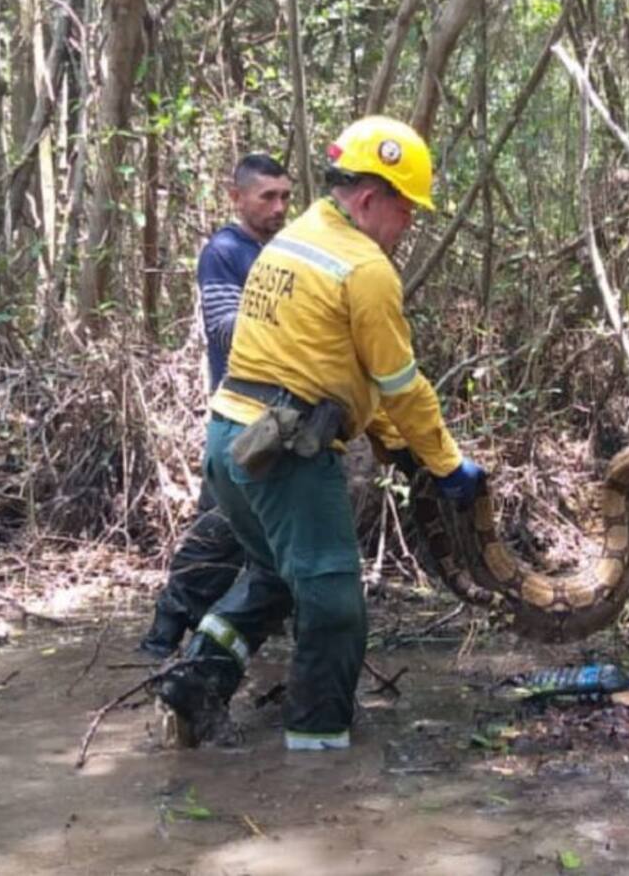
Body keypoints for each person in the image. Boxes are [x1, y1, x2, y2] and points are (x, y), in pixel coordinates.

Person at [157, 115, 485, 751]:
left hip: (229, 443)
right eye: (407, 209)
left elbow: (334, 368)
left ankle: (196, 683)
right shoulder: (365, 268)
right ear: (369, 199)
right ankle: (318, 755)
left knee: (274, 577)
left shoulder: (292, 240)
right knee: (334, 600)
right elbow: (401, 386)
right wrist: (446, 464)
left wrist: (399, 444)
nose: (410, 225)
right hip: (287, 454)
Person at [138, 154, 293, 659]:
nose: (278, 206)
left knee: (254, 537)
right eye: (267, 196)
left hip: (279, 421)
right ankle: (164, 637)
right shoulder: (224, 252)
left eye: (285, 196)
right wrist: (298, 319)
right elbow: (225, 326)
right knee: (218, 531)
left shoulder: (283, 253)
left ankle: (229, 642)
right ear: (237, 197)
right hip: (239, 420)